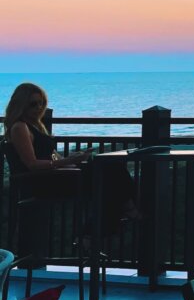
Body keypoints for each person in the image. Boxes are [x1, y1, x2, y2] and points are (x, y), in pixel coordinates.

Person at [3, 82, 139, 236]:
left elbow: (52, 158)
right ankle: (125, 211)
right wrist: (69, 162)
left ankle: (94, 232)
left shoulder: (34, 126)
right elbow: (32, 164)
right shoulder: (20, 127)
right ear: (21, 104)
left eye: (42, 103)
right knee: (110, 175)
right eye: (33, 104)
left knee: (110, 174)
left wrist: (74, 159)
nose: (39, 108)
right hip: (44, 183)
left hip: (53, 177)